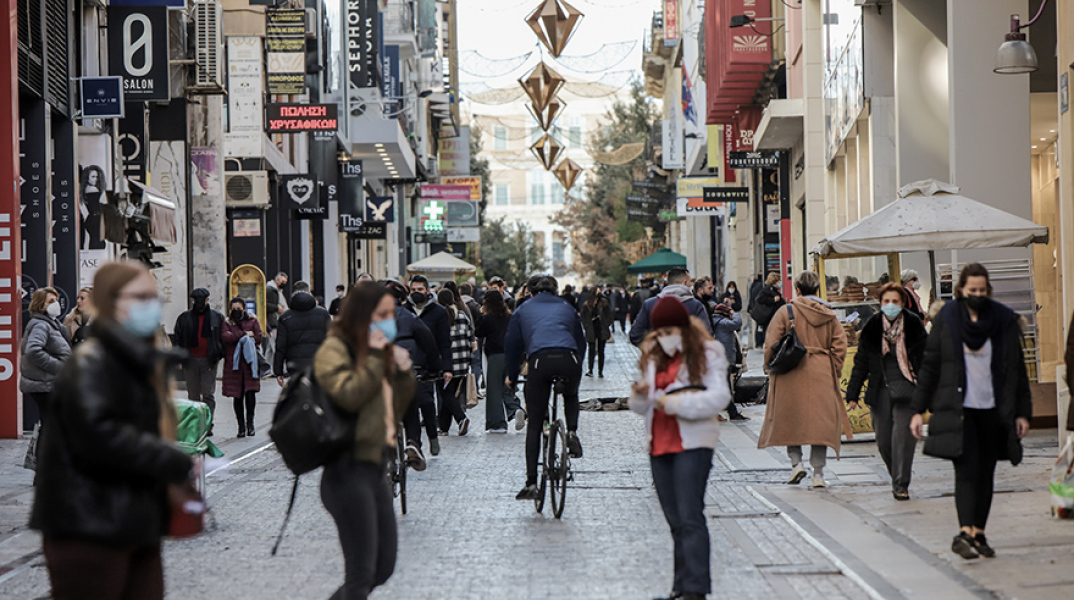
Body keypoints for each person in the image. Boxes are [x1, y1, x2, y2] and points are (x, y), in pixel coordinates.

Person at [30, 261, 194, 600]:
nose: (149, 305)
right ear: (110, 301)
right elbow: (100, 434)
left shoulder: (134, 360)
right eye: (139, 296)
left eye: (152, 297)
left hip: (135, 522)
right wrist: (169, 459)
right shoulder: (91, 361)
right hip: (89, 524)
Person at [909, 263, 1031, 560]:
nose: (976, 294)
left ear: (987, 290)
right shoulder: (947, 320)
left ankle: (978, 532)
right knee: (965, 471)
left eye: (981, 290)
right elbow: (931, 366)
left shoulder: (1003, 320)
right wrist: (917, 409)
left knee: (985, 472)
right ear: (961, 289)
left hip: (993, 410)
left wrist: (1022, 413)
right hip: (958, 409)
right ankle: (965, 531)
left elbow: (1017, 371)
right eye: (971, 290)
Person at [313, 282, 415, 600]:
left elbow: (395, 408)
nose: (390, 320)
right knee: (360, 574)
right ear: (362, 315)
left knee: (383, 567)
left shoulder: (378, 349)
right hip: (346, 470)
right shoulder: (334, 349)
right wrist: (374, 357)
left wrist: (403, 371)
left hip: (375, 467)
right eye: (382, 314)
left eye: (391, 313)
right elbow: (348, 396)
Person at [628, 296, 730, 600]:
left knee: (689, 516)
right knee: (674, 520)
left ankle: (696, 589)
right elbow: (641, 406)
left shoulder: (708, 351)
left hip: (693, 441)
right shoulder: (653, 354)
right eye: (658, 332)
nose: (663, 337)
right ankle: (680, 586)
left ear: (683, 326)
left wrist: (673, 403)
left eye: (668, 330)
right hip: (659, 441)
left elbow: (719, 397)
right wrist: (640, 396)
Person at [757, 271, 848, 488]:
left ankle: (796, 464)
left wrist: (768, 366)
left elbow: (771, 343)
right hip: (821, 371)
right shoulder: (828, 314)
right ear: (817, 289)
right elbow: (840, 345)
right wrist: (832, 368)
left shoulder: (786, 311)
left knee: (791, 420)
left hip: (790, 370)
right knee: (821, 424)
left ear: (797, 289)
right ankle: (818, 473)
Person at [505, 275, 586, 501]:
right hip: (569, 358)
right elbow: (581, 340)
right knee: (571, 394)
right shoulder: (567, 307)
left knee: (535, 423)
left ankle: (531, 482)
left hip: (540, 360)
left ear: (530, 292)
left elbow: (511, 345)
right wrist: (578, 362)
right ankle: (571, 431)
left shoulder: (523, 309)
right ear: (556, 292)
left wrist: (512, 376)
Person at [845, 283, 927, 500]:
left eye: (895, 301)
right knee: (883, 441)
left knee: (904, 439)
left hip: (908, 389)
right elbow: (861, 361)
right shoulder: (872, 326)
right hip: (880, 390)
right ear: (880, 303)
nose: (891, 306)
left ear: (902, 303)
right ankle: (896, 475)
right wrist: (852, 393)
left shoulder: (913, 324)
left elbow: (926, 361)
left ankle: (901, 484)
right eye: (886, 302)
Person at [383, 279, 441, 467]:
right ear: (401, 298)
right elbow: (429, 343)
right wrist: (433, 369)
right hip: (405, 368)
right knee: (409, 407)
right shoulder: (409, 317)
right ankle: (413, 443)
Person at [173, 288, 225, 431]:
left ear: (208, 300)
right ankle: (197, 424)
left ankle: (207, 423)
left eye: (204, 300)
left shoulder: (217, 317)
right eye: (197, 300)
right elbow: (178, 338)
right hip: (190, 361)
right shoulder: (184, 318)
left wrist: (219, 354)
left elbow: (223, 337)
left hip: (209, 360)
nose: (201, 303)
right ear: (193, 301)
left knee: (208, 393)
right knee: (193, 394)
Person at [20, 287, 71, 430]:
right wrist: (59, 367)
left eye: (56, 300)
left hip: (49, 383)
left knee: (52, 425)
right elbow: (33, 351)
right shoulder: (41, 325)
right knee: (52, 425)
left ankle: (45, 451)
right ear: (40, 305)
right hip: (44, 384)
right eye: (51, 301)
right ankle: (44, 452)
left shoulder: (52, 324)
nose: (56, 304)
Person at [476, 291, 524, 433]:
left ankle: (497, 424)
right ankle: (515, 410)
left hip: (495, 356)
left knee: (494, 390)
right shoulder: (510, 317)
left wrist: (481, 315)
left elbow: (478, 332)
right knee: (506, 387)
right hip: (511, 355)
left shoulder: (488, 318)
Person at [630, 268, 713, 346]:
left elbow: (635, 335)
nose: (691, 284)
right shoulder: (696, 305)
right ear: (684, 283)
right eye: (690, 282)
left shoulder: (649, 304)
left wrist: (653, 349)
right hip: (688, 358)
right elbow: (707, 335)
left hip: (659, 359)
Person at [274, 285, 331, 386]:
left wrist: (278, 371)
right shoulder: (323, 314)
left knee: (299, 392)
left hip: (295, 363)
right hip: (319, 361)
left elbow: (281, 346)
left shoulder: (286, 317)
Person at [222, 297, 263, 438]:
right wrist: (245, 334)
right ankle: (241, 426)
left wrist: (237, 336)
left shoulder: (252, 320)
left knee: (250, 394)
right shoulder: (227, 322)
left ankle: (250, 423)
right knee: (237, 396)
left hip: (250, 364)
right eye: (233, 309)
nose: (236, 311)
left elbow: (258, 336)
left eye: (239, 309)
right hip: (234, 365)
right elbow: (225, 337)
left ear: (244, 308)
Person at [437, 288, 474, 436]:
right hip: (462, 363)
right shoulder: (463, 315)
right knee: (450, 393)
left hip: (446, 362)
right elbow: (470, 338)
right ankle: (444, 427)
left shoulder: (440, 316)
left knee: (445, 393)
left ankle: (461, 418)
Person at [711, 303, 748, 422]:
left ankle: (729, 411)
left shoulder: (716, 322)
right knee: (725, 386)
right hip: (723, 359)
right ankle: (732, 412)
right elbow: (737, 323)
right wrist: (735, 313)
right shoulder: (723, 323)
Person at [581, 285, 613, 377]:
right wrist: (586, 326)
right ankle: (590, 370)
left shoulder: (604, 303)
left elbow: (609, 315)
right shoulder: (587, 304)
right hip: (591, 328)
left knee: (601, 351)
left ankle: (600, 371)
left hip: (601, 328)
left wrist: (607, 324)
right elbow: (583, 317)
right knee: (591, 349)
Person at [749, 272, 785, 349]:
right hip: (769, 317)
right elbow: (760, 299)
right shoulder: (767, 290)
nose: (780, 283)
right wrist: (772, 300)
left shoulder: (773, 290)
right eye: (779, 281)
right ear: (774, 282)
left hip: (773, 316)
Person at [265, 272, 288, 375]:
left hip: (274, 321)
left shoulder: (277, 290)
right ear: (277, 280)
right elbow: (265, 305)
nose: (283, 283)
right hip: (272, 321)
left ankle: (266, 368)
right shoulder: (270, 290)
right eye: (282, 281)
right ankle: (280, 369)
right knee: (275, 346)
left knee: (270, 348)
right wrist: (276, 308)